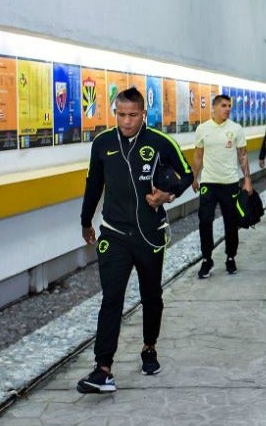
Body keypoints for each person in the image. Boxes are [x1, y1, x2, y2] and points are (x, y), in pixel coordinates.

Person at [78, 87, 193, 393]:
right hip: (114, 233)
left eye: (132, 115)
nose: (126, 121)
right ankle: (103, 369)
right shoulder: (102, 143)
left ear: (143, 114)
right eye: (120, 114)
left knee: (151, 295)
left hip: (149, 234)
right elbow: (94, 183)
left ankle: (149, 347)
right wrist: (85, 219)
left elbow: (187, 174)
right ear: (115, 112)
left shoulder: (159, 142)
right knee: (111, 299)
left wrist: (168, 194)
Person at [192, 94, 252, 278]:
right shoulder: (203, 129)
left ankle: (230, 257)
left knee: (231, 223)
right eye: (224, 105)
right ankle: (207, 259)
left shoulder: (236, 129)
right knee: (205, 221)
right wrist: (194, 177)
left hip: (230, 183)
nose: (227, 109)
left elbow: (242, 155)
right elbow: (198, 155)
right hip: (209, 183)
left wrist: (247, 179)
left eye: (229, 106)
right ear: (214, 107)